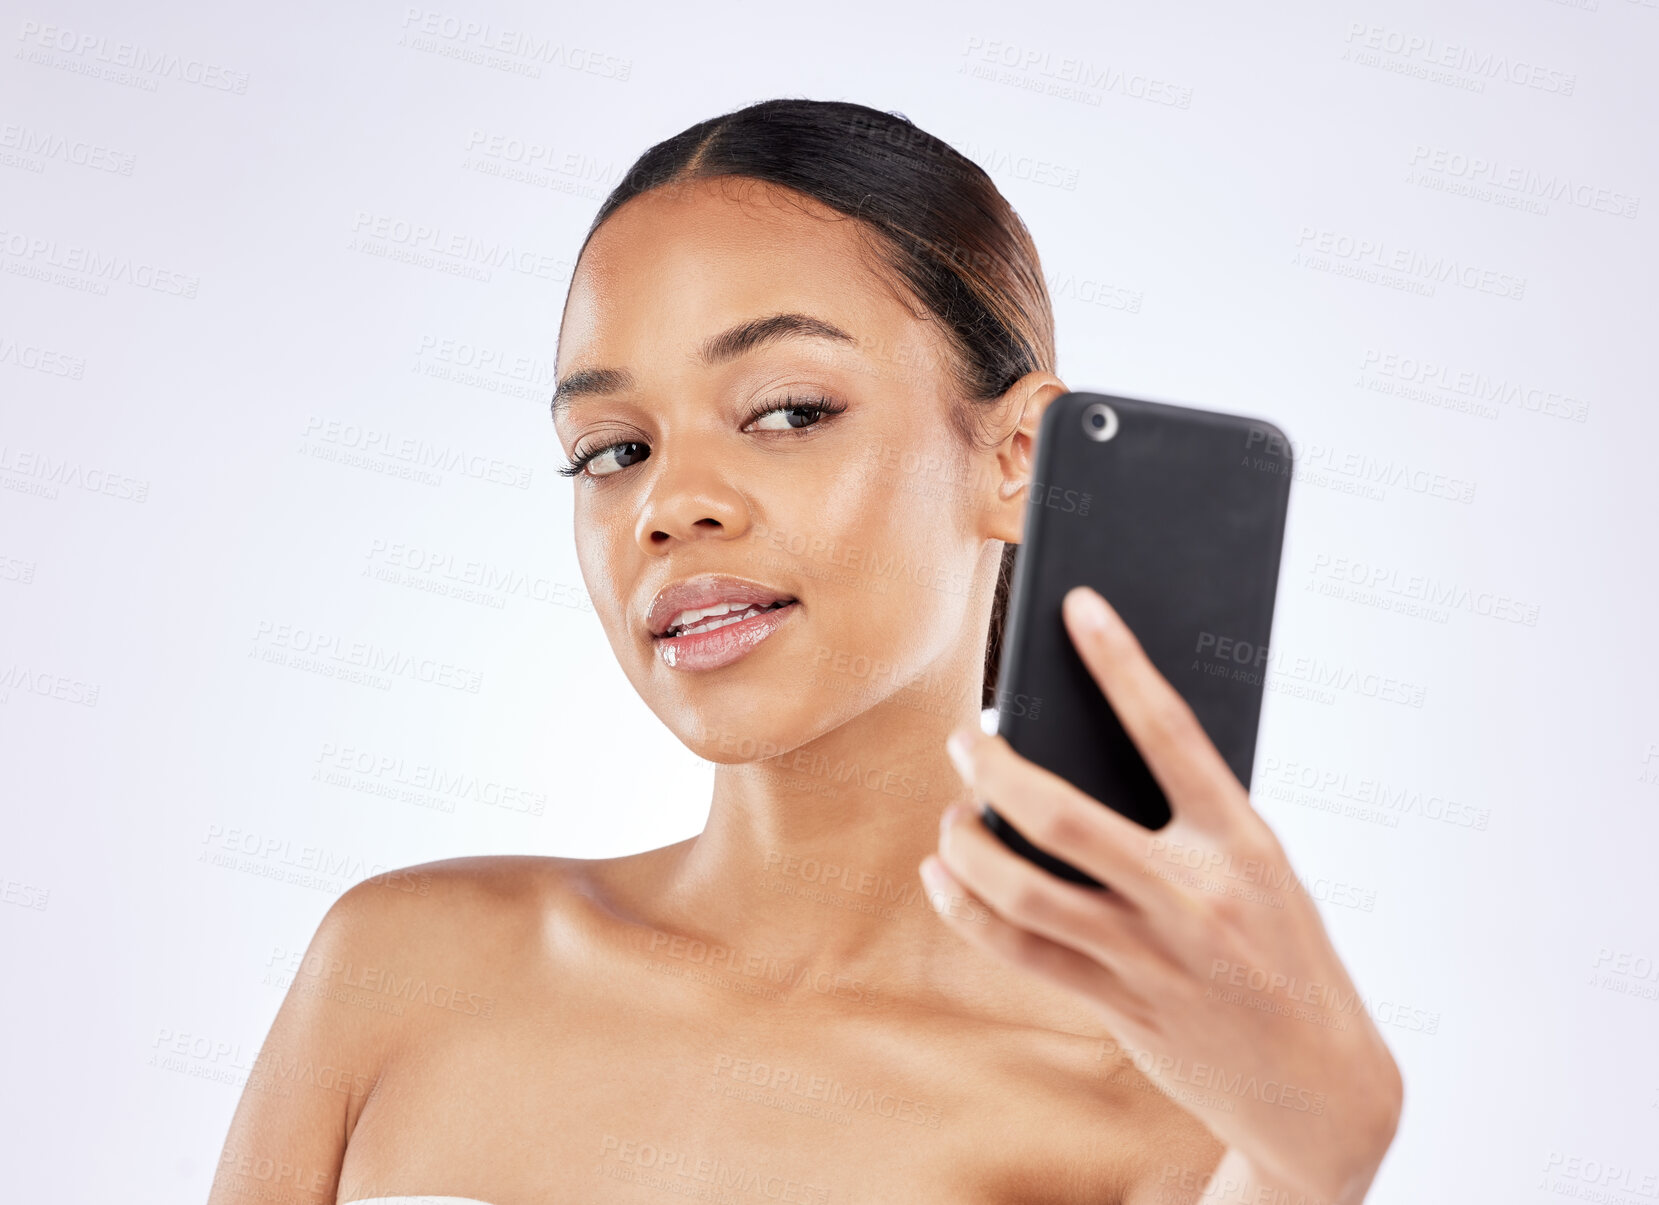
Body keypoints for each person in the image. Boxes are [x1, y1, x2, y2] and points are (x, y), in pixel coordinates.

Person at [209, 98, 1402, 1205]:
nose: (670, 504)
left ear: (1019, 460)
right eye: (611, 449)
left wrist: (1315, 1161)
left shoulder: (1162, 1115)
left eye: (787, 410)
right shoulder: (401, 970)